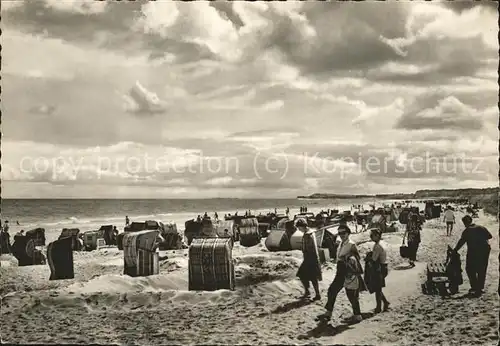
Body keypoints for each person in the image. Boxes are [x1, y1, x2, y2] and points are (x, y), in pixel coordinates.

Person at [317, 225, 365, 323]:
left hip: (348, 270)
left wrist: (348, 256)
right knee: (332, 290)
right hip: (340, 270)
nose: (341, 235)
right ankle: (328, 313)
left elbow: (357, 258)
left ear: (348, 233)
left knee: (351, 294)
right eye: (340, 233)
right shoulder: (341, 243)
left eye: (343, 233)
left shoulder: (351, 244)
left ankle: (357, 315)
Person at [453, 215, 492, 296]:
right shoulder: (481, 227)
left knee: (470, 269)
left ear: (464, 223)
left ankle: (474, 286)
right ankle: (480, 287)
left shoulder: (467, 231)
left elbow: (461, 242)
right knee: (482, 269)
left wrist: (455, 250)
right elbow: (489, 236)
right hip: (485, 250)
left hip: (473, 251)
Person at [296, 219, 321, 301]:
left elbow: (310, 248)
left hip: (310, 258)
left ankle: (315, 294)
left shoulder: (308, 235)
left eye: (299, 228)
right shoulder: (310, 232)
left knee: (311, 277)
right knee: (304, 275)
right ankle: (309, 292)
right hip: (310, 258)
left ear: (302, 226)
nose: (299, 230)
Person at [367, 228, 390, 312]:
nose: (371, 237)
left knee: (378, 289)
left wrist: (368, 256)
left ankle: (378, 307)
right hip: (384, 266)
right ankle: (385, 302)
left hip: (379, 268)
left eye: (372, 235)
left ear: (377, 236)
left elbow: (373, 259)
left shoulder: (377, 246)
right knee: (378, 288)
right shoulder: (381, 243)